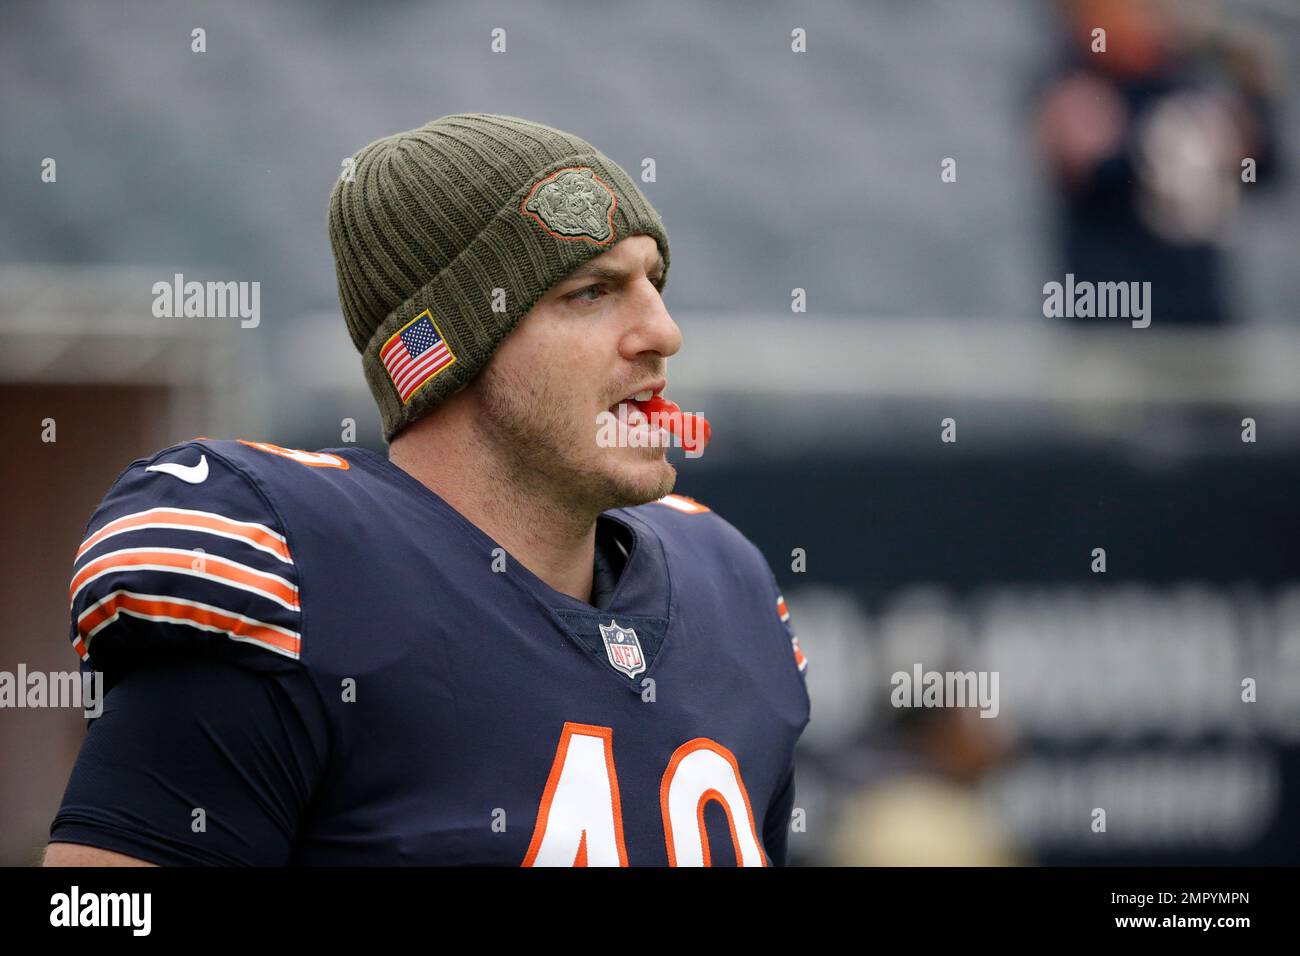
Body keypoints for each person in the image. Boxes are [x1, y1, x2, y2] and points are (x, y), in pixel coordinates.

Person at [45, 113, 810, 866]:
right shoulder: (305, 572)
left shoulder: (727, 589)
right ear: (452, 349)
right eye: (592, 291)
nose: (663, 330)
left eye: (654, 282)